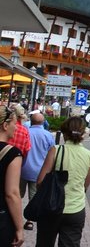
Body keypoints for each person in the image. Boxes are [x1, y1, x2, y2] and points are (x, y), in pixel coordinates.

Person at [35, 116, 90, 247]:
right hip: (76, 209)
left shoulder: (55, 150)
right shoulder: (89, 155)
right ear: (82, 133)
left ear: (64, 133)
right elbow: (86, 184)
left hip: (51, 208)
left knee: (44, 243)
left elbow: (40, 181)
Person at [20, 109, 54, 231]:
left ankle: (16, 219)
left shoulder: (25, 132)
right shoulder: (48, 135)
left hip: (22, 169)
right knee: (34, 197)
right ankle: (29, 221)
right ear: (43, 122)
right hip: (39, 172)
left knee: (17, 195)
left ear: (31, 121)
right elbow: (52, 154)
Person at [0, 106, 26, 247]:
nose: (16, 128)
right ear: (5, 125)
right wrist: (19, 227)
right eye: (14, 125)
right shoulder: (12, 154)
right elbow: (12, 194)